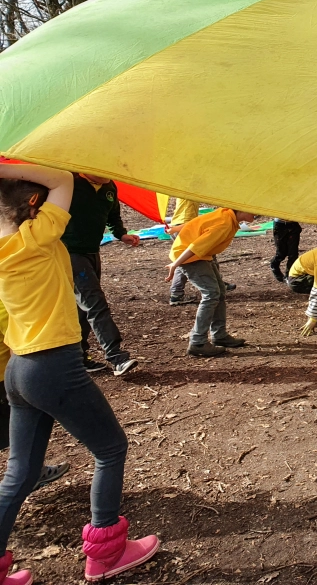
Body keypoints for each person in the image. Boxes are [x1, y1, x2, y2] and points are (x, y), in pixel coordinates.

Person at [0, 162, 159, 583]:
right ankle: (106, 552)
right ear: (35, 203)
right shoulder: (36, 236)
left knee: (20, 472)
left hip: (18, 370)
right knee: (111, 449)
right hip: (53, 365)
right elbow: (64, 179)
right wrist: (7, 164)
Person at [61, 173, 140, 375]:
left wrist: (121, 234)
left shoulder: (109, 187)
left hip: (92, 252)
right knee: (95, 303)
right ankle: (116, 357)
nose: (107, 172)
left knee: (82, 307)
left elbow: (113, 215)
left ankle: (78, 358)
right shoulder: (68, 182)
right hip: (69, 252)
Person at [165, 207, 255, 357]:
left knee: (219, 290)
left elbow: (197, 222)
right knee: (211, 293)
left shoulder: (225, 213)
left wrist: (177, 228)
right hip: (189, 257)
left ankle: (219, 335)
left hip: (202, 255)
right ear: (239, 209)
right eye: (252, 209)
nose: (256, 212)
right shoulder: (224, 223)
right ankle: (198, 342)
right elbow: (196, 247)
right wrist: (175, 264)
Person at [0, 301, 69, 494]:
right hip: (7, 378)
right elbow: (19, 339)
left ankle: (32, 472)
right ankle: (31, 474)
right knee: (25, 432)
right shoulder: (4, 301)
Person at [167, 198, 199, 306]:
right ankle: (176, 294)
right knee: (184, 260)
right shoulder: (188, 190)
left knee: (206, 253)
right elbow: (187, 221)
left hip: (180, 225)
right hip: (183, 226)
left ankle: (218, 283)